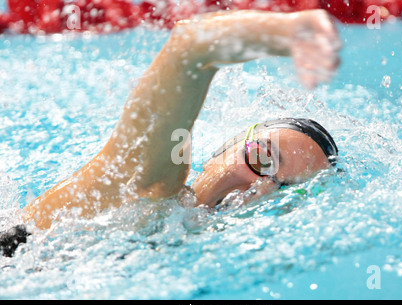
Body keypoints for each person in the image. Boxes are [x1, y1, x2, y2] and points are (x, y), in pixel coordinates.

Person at [0, 9, 341, 257]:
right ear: (220, 152)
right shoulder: (150, 186)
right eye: (262, 159)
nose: (264, 187)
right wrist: (287, 32)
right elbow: (190, 48)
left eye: (290, 190)